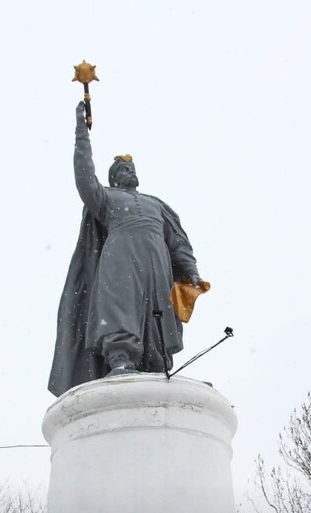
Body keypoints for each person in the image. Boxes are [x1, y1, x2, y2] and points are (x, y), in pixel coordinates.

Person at [48, 101, 204, 397]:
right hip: (120, 259)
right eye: (122, 169)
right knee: (121, 307)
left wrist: (190, 269)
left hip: (158, 263)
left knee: (159, 312)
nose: (129, 171)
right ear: (114, 177)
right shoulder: (106, 198)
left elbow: (178, 241)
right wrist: (82, 134)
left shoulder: (156, 204)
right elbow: (84, 179)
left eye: (131, 168)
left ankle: (156, 364)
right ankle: (121, 359)